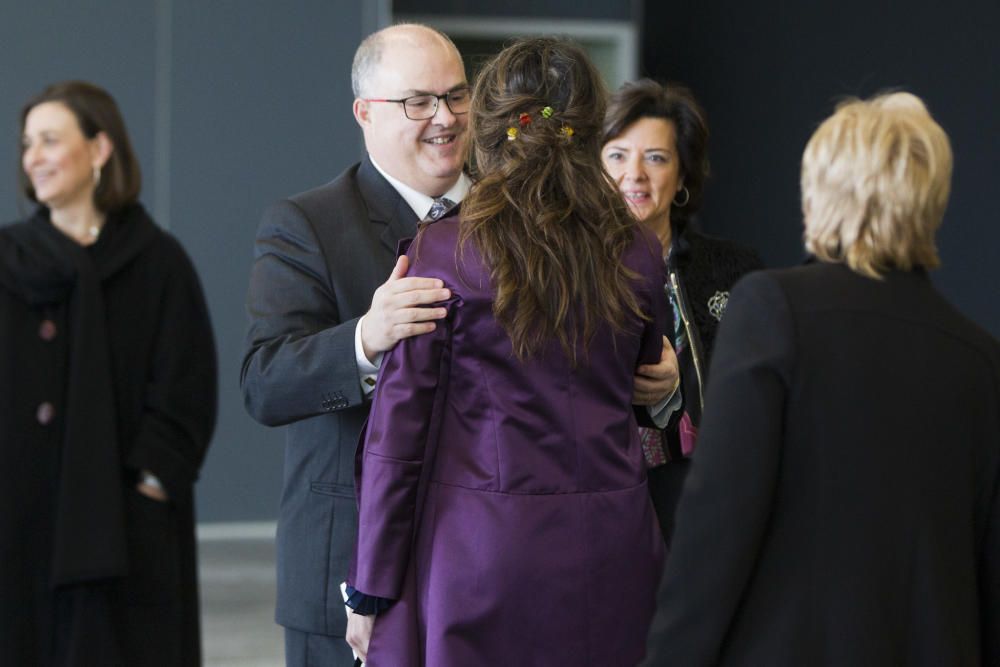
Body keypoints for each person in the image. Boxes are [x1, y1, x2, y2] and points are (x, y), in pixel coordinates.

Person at [241, 24, 678, 666]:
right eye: (418, 101)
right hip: (358, 566)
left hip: (482, 565)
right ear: (365, 113)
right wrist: (366, 338)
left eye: (455, 96)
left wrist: (663, 391)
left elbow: (622, 379)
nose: (444, 117)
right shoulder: (307, 224)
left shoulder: (504, 237)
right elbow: (264, 381)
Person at [642, 92, 1000, 665]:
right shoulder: (982, 361)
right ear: (932, 201)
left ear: (819, 194)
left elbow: (717, 531)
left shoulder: (772, 310)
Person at [0, 81, 217, 666]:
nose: (33, 157)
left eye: (50, 140)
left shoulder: (157, 261)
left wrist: (150, 483)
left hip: (126, 527)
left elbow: (186, 386)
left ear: (99, 150)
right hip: (18, 523)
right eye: (27, 144)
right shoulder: (7, 260)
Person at [601, 80, 763, 545]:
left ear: (683, 174)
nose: (634, 174)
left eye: (655, 157)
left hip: (713, 509)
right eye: (617, 155)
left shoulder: (737, 270)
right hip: (606, 507)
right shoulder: (571, 275)